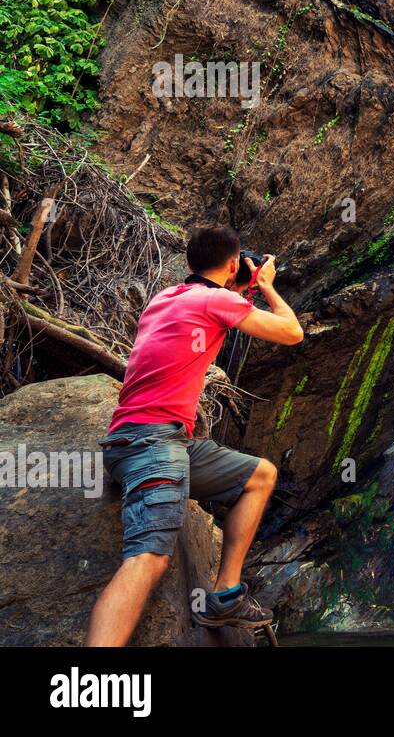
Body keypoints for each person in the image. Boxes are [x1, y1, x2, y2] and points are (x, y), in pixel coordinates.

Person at [85, 224, 303, 646]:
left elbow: (213, 311)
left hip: (152, 441)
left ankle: (224, 596)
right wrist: (267, 286)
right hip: (152, 444)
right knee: (147, 558)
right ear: (234, 264)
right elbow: (291, 332)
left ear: (189, 264)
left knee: (260, 475)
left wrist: (240, 286)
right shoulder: (216, 299)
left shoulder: (166, 298)